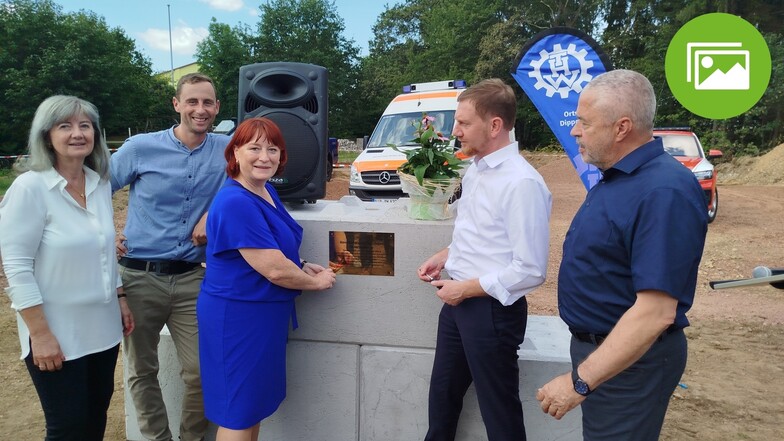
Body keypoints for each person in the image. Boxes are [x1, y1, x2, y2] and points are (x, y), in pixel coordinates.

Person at [536, 69, 708, 440]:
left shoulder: (664, 191)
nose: (575, 131)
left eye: (584, 122)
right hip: (605, 355)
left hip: (631, 365)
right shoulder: (619, 176)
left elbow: (655, 312)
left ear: (622, 127)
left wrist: (580, 382)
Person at [416, 78, 552, 441]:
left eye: (463, 123)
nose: (454, 131)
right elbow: (482, 232)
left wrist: (466, 289)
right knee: (441, 401)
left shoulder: (522, 183)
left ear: (494, 125)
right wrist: (446, 255)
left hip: (491, 311)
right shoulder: (476, 168)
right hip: (458, 304)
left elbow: (530, 269)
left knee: (499, 412)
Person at [0, 95, 134, 440]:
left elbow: (105, 251)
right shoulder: (30, 188)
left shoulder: (99, 182)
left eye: (85, 126)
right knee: (67, 428)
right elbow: (17, 268)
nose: (77, 133)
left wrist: (119, 297)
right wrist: (39, 335)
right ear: (47, 136)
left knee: (94, 420)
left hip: (102, 329)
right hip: (57, 333)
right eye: (65, 126)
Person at [197, 117, 336, 441]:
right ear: (235, 153)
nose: (264, 157)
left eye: (272, 149)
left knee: (252, 406)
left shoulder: (264, 191)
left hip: (260, 316)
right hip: (238, 319)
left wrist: (301, 264)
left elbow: (270, 245)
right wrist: (315, 283)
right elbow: (272, 268)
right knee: (238, 412)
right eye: (254, 148)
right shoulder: (235, 201)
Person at [110, 72, 229, 441]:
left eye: (207, 102)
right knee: (142, 369)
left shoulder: (227, 149)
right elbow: (95, 190)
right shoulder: (139, 148)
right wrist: (102, 233)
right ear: (176, 104)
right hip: (139, 277)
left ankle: (190, 438)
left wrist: (214, 211)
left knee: (201, 370)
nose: (200, 109)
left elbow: (252, 182)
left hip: (193, 276)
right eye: (192, 101)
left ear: (217, 108)